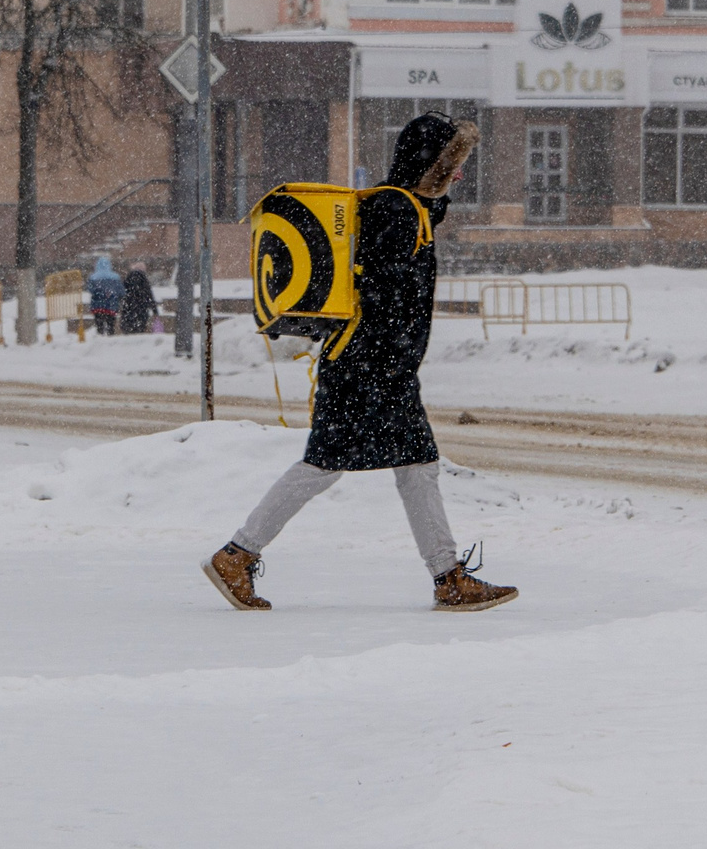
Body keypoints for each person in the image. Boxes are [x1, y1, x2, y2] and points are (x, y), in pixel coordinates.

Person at [204, 114, 516, 613]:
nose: (458, 175)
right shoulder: (396, 210)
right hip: (368, 366)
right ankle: (237, 554)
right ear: (426, 164)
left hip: (374, 364)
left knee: (412, 467)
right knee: (328, 466)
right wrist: (391, 357)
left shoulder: (398, 206)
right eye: (451, 165)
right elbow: (383, 290)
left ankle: (446, 575)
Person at [86, 255, 123, 336]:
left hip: (97, 305)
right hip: (111, 305)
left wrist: (99, 293)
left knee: (99, 325)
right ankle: (110, 337)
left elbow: (90, 289)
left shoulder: (93, 277)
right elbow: (121, 291)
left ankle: (100, 337)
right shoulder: (115, 277)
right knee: (111, 324)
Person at [120, 266, 158, 336]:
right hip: (142, 309)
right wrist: (155, 311)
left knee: (128, 329)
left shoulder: (127, 283)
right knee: (139, 329)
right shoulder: (145, 284)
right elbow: (150, 298)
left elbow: (121, 295)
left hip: (129, 309)